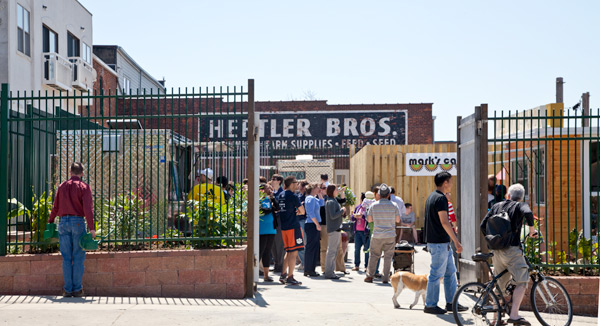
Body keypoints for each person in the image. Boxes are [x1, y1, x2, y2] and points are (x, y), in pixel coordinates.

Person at [481, 184, 537, 326]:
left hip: (497, 251)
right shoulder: (519, 206)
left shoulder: (496, 206)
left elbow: (483, 225)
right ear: (521, 197)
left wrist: (493, 240)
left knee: (500, 286)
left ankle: (495, 319)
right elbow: (528, 213)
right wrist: (532, 230)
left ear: (508, 196)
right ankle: (514, 314)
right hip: (512, 250)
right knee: (522, 281)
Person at [48, 162, 96, 297]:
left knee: (66, 258)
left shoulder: (62, 186)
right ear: (82, 173)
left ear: (70, 172)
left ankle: (67, 290)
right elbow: (88, 209)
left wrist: (50, 221)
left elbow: (55, 207)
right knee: (78, 257)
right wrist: (92, 228)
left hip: (63, 223)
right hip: (78, 223)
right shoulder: (84, 187)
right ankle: (77, 289)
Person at [423, 172, 466, 315]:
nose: (452, 184)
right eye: (451, 181)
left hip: (439, 243)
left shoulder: (432, 196)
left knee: (450, 273)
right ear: (445, 182)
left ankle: (452, 303)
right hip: (439, 243)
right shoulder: (441, 199)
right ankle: (430, 304)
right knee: (436, 274)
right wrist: (456, 241)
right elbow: (444, 222)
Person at [364, 184, 400, 284]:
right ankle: (385, 278)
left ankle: (370, 276)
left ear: (379, 194)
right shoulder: (394, 205)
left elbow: (369, 219)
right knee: (388, 257)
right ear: (389, 194)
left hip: (377, 235)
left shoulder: (373, 205)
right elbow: (397, 220)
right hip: (390, 235)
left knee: (374, 255)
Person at [277, 176, 305, 285]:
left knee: (288, 251)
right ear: (292, 184)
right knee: (294, 252)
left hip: (284, 227)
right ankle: (290, 276)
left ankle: (283, 274)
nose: (297, 185)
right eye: (296, 183)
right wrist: (298, 210)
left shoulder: (281, 195)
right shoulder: (293, 196)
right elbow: (302, 211)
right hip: (293, 226)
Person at [323, 184, 345, 279]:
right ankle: (328, 272)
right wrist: (342, 211)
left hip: (335, 228)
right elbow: (332, 215)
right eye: (336, 189)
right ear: (332, 191)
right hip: (333, 229)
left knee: (333, 251)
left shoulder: (333, 200)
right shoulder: (331, 202)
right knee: (331, 251)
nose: (337, 191)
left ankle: (330, 271)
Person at [303, 183, 324, 277]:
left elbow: (322, 203)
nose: (319, 188)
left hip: (314, 224)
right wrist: (317, 224)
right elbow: (311, 213)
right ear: (313, 189)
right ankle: (308, 269)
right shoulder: (310, 198)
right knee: (311, 247)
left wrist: (320, 194)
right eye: (317, 187)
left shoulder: (314, 198)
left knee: (314, 247)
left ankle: (311, 269)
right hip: (312, 224)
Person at [258, 183, 277, 282]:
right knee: (260, 251)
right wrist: (270, 209)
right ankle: (254, 273)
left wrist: (273, 198)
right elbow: (262, 211)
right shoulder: (258, 199)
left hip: (271, 229)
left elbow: (277, 208)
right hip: (261, 229)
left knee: (267, 251)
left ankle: (266, 275)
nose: (270, 190)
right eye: (267, 188)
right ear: (262, 190)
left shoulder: (269, 199)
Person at [270, 173, 285, 273]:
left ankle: (280, 265)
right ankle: (276, 264)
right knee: (273, 244)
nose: (271, 181)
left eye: (273, 179)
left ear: (279, 181)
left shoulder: (281, 193)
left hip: (279, 221)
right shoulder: (273, 192)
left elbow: (280, 207)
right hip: (272, 220)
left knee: (279, 244)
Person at [352, 193, 369, 271]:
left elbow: (369, 218)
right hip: (357, 231)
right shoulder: (358, 207)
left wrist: (362, 216)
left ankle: (366, 266)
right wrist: (355, 216)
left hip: (365, 232)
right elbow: (352, 218)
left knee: (366, 249)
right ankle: (356, 265)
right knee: (357, 249)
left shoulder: (368, 208)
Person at [296, 180, 309, 270]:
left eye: (300, 185)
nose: (298, 187)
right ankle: (303, 262)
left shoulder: (307, 197)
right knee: (300, 241)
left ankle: (305, 263)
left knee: (304, 241)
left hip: (304, 220)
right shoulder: (299, 196)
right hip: (299, 220)